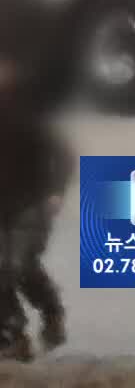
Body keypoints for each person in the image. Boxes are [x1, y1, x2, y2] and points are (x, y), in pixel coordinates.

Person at [0, 50, 70, 363]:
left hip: (31, 202)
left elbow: (64, 154)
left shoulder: (28, 113)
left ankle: (51, 312)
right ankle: (13, 336)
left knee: (18, 265)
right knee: (6, 269)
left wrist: (56, 191)